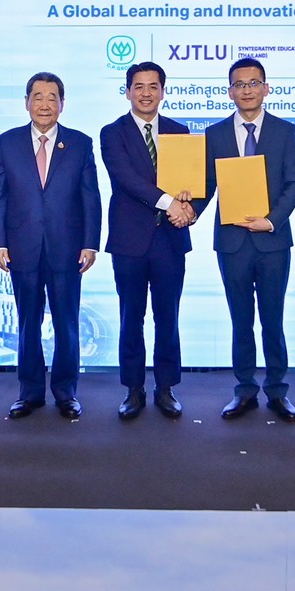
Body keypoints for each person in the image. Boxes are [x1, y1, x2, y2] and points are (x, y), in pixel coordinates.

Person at [0, 72, 101, 420]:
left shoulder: (79, 143)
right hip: (21, 247)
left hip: (67, 248)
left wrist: (90, 243)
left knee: (67, 323)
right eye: (37, 97)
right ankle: (30, 392)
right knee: (27, 323)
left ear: (62, 104)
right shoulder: (7, 142)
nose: (45, 104)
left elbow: (90, 197)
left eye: (52, 97)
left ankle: (66, 392)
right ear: (26, 102)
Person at [198, 58, 295, 422]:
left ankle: (277, 390)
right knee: (240, 321)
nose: (247, 90)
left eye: (253, 83)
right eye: (239, 84)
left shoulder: (284, 130)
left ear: (266, 88)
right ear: (230, 92)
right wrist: (186, 207)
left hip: (273, 242)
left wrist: (271, 220)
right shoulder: (215, 134)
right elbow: (206, 185)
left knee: (273, 320)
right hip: (232, 243)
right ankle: (244, 389)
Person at [99, 61, 193, 420]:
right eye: (138, 86)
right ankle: (133, 389)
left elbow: (195, 183)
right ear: (127, 92)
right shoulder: (112, 133)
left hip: (170, 240)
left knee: (168, 318)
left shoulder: (180, 132)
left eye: (153, 86)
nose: (146, 93)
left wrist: (190, 209)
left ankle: (166, 388)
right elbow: (126, 179)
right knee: (131, 318)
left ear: (163, 91)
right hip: (130, 242)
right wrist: (170, 203)